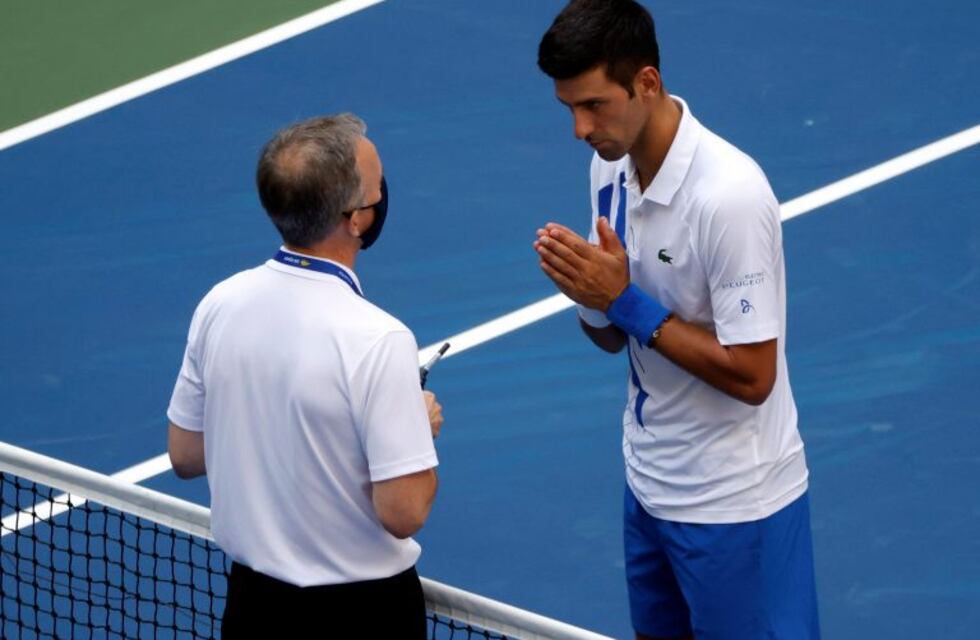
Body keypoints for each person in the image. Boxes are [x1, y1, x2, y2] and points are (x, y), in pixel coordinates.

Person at [534, 2, 819, 639]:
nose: (580, 129)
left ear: (647, 84)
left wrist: (624, 301)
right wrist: (589, 291)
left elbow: (753, 376)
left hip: (736, 510)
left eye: (593, 106)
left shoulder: (730, 198)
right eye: (568, 109)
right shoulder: (608, 165)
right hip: (649, 490)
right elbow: (610, 338)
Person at [166, 113, 443, 638]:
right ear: (356, 218)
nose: (384, 193)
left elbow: (185, 454)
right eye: (378, 185)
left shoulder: (219, 303)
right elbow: (404, 511)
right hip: (362, 617)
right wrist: (414, 427)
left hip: (252, 607)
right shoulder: (378, 339)